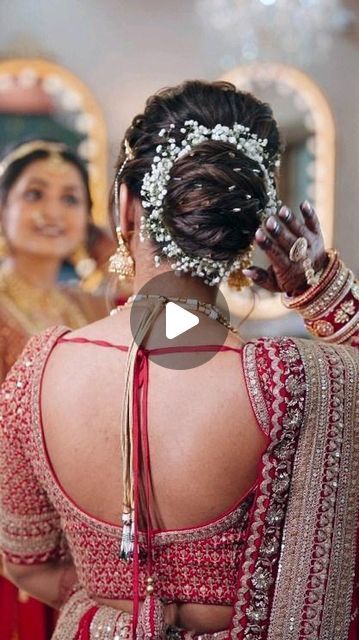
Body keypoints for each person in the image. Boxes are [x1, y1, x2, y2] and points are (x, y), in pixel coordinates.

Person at [0, 81, 358, 640]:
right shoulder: (301, 384)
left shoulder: (36, 374)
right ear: (246, 234)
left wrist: (118, 615)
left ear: (125, 208)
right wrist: (323, 293)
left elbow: (27, 562)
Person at [0, 139, 108, 640]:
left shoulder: (91, 309)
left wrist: (120, 256)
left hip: (80, 529)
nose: (52, 212)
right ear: (3, 209)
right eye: (34, 194)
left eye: (70, 199)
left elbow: (186, 328)